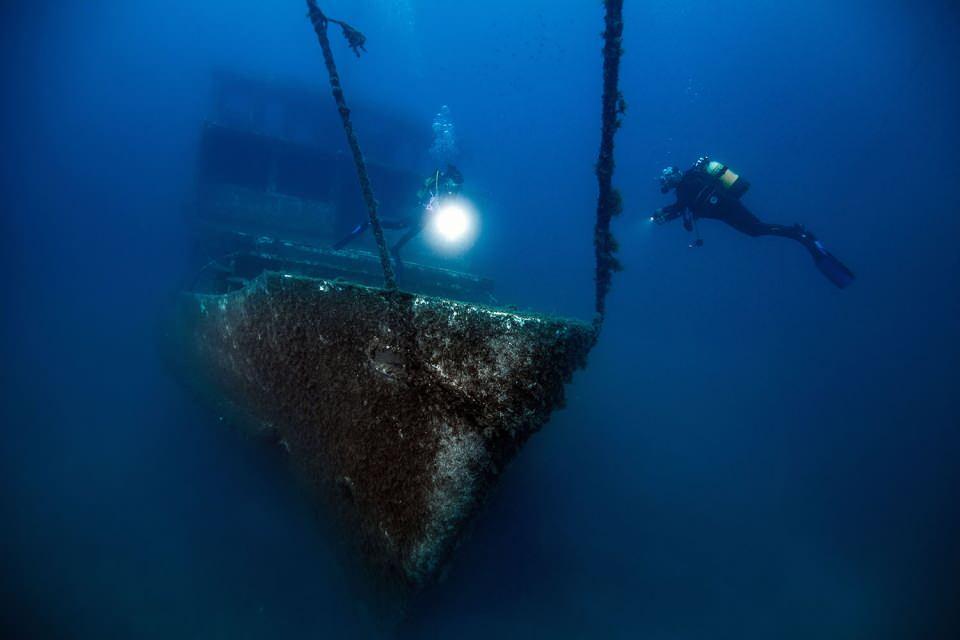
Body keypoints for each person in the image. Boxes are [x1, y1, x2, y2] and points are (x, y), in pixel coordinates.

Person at [653, 157, 855, 288]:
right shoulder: (688, 185)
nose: (668, 183)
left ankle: (797, 233)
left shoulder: (690, 182)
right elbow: (683, 207)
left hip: (728, 208)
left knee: (757, 229)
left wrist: (666, 213)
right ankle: (797, 233)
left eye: (667, 180)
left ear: (673, 177)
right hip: (726, 212)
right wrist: (666, 213)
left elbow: (683, 206)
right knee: (756, 231)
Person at [333, 164, 464, 271]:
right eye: (455, 183)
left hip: (428, 216)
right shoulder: (439, 182)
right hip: (423, 213)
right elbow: (427, 192)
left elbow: (445, 203)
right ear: (451, 179)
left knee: (410, 232)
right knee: (399, 226)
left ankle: (395, 247)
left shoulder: (449, 188)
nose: (456, 186)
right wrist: (426, 203)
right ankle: (370, 224)